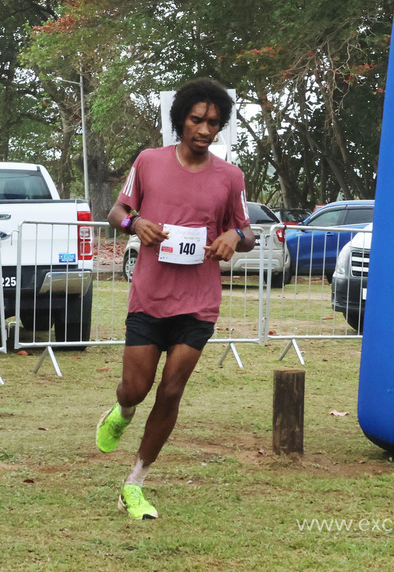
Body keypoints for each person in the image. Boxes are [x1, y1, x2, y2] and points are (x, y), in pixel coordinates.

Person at [97, 78, 256, 519]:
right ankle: (123, 411)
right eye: (197, 120)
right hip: (149, 298)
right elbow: (117, 212)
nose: (205, 130)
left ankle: (135, 482)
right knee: (138, 387)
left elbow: (248, 233)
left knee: (170, 391)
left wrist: (232, 235)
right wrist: (134, 226)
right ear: (180, 120)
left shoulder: (230, 177)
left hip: (198, 303)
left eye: (213, 124)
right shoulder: (148, 162)